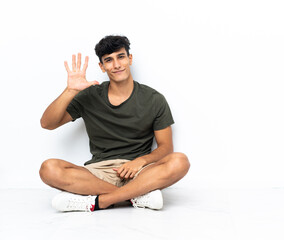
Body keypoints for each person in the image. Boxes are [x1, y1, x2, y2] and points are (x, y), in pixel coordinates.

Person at [39, 35, 190, 212]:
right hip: (98, 174)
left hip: (140, 172)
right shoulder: (90, 95)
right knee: (48, 169)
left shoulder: (154, 99)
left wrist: (140, 161)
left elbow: (166, 148)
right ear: (101, 67)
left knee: (180, 161)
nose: (116, 65)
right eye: (108, 60)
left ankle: (99, 202)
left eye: (121, 56)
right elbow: (47, 123)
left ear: (130, 59)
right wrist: (70, 90)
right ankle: (135, 197)